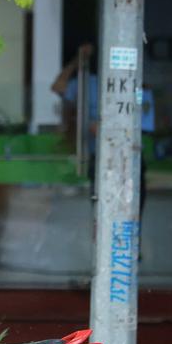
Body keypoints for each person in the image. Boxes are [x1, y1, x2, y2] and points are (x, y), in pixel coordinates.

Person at [52, 43, 153, 222]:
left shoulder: (133, 82)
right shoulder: (87, 83)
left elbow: (142, 122)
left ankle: (130, 248)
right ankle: (103, 246)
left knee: (132, 212)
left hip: (129, 156)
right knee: (102, 213)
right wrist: (78, 61)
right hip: (100, 157)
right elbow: (58, 87)